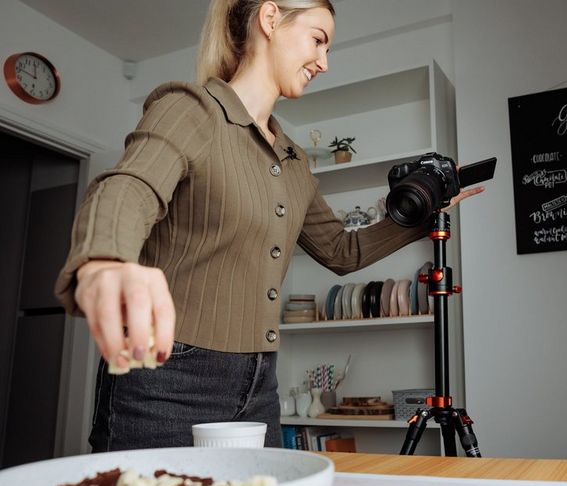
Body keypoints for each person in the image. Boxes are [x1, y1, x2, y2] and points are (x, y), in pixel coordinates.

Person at [55, 0, 484, 451]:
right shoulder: (192, 108)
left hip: (260, 384)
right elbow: (128, 188)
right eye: (318, 40)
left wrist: (427, 212)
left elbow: (342, 250)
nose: (324, 62)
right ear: (271, 18)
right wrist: (104, 262)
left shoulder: (294, 161)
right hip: (167, 377)